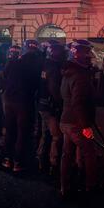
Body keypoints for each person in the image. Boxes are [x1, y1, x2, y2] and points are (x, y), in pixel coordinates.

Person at [60, 40, 98, 197]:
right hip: (76, 123)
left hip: (66, 120)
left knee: (67, 155)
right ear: (80, 55)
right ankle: (91, 186)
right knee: (89, 153)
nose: (90, 57)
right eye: (87, 54)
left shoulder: (68, 71)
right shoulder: (80, 75)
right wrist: (85, 127)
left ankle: (65, 186)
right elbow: (78, 103)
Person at [2, 40, 42, 172]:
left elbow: (4, 77)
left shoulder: (14, 62)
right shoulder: (36, 65)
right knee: (22, 132)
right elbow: (38, 84)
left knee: (10, 130)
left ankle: (7, 159)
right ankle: (18, 162)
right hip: (24, 102)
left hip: (9, 100)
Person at [36, 44, 66, 176]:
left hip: (43, 105)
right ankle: (53, 163)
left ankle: (41, 159)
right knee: (56, 136)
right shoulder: (53, 67)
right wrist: (61, 103)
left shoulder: (44, 64)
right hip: (50, 106)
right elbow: (54, 88)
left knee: (46, 133)